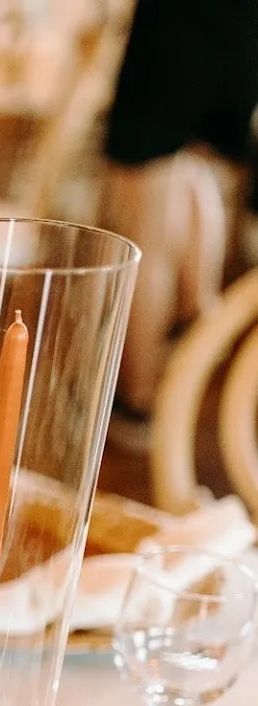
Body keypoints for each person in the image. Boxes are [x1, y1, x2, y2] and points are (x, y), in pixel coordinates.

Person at [99, 0, 258, 446]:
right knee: (196, 174)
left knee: (143, 231)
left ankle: (140, 399)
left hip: (171, 42)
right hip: (240, 41)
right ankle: (194, 327)